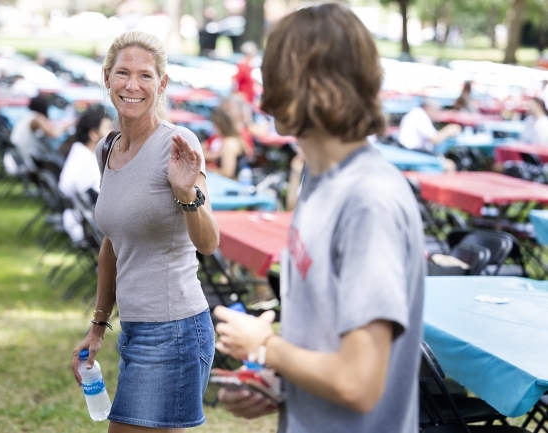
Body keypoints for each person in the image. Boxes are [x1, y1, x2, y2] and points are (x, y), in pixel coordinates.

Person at [213, 4, 425, 433]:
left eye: (274, 73)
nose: (264, 91)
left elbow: (358, 382)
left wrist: (265, 347)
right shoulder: (318, 178)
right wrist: (280, 383)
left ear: (309, 85)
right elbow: (329, 341)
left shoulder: (369, 201)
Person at [71, 31, 219, 433]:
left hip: (175, 329)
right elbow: (112, 244)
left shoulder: (177, 143)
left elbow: (207, 243)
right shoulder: (108, 147)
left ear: (162, 83)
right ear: (106, 78)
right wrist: (98, 326)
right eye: (123, 73)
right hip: (136, 329)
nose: (132, 86)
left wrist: (186, 191)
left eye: (145, 76)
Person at [58, 107, 113, 244]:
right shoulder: (86, 163)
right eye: (108, 128)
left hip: (82, 221)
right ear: (93, 134)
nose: (114, 133)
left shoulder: (80, 154)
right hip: (89, 229)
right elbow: (103, 203)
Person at [9, 96, 72, 170]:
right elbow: (53, 134)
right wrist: (67, 125)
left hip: (15, 156)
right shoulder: (37, 118)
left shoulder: (29, 115)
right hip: (22, 161)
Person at [207, 108, 251, 179]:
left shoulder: (229, 144)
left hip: (232, 182)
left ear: (221, 127)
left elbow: (227, 173)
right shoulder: (237, 138)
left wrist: (209, 170)